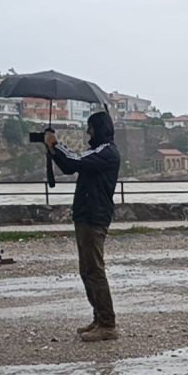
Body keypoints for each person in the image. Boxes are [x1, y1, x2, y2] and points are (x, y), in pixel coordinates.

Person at [44, 111, 122, 342]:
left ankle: (107, 323)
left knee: (94, 270)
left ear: (98, 129)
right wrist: (53, 149)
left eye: (90, 128)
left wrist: (55, 145)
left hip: (94, 216)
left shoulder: (107, 152)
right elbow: (70, 166)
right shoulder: (99, 151)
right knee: (87, 270)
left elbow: (74, 161)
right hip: (86, 214)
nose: (88, 132)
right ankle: (99, 317)